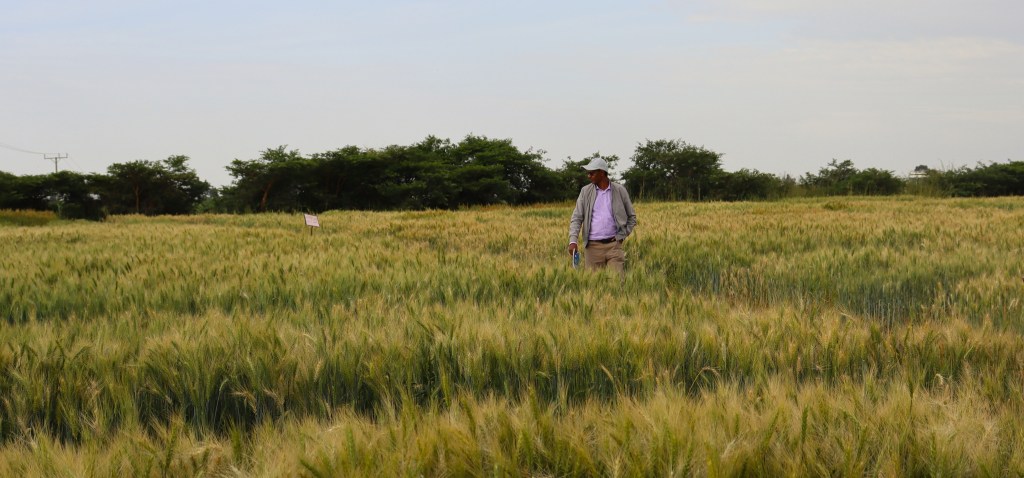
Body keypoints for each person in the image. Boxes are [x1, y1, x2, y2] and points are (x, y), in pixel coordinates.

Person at [567, 157, 638, 274]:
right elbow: (577, 218)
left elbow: (632, 217)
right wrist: (573, 241)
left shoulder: (620, 190)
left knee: (617, 281)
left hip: (614, 246)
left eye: (592, 173)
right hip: (592, 248)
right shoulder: (585, 191)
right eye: (588, 173)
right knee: (594, 283)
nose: (589, 176)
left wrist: (622, 235)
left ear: (602, 172)